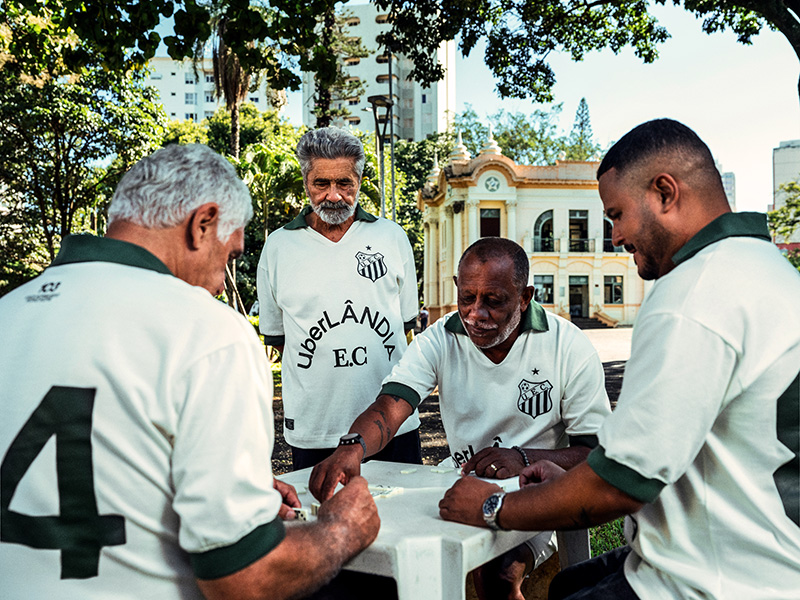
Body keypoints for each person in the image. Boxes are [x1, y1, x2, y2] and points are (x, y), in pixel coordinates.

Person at [439, 119, 800, 600]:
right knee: (570, 580)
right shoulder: (765, 267)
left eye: (617, 214)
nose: (614, 236)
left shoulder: (692, 295)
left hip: (715, 577)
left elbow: (619, 486)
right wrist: (570, 475)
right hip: (765, 548)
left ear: (665, 192)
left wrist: (492, 507)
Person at [0, 144, 379, 600]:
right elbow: (246, 579)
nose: (221, 282)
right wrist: (345, 528)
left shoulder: (10, 311)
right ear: (203, 225)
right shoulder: (209, 332)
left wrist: (224, 483)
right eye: (228, 256)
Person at [311, 237, 611, 600]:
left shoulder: (568, 347)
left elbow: (594, 453)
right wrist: (353, 446)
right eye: (467, 297)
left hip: (537, 494)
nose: (475, 314)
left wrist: (524, 458)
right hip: (460, 482)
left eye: (493, 301)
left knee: (496, 575)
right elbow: (392, 403)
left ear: (525, 296)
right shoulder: (439, 338)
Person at [257, 126, 421, 470]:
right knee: (322, 521)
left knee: (405, 519)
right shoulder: (278, 247)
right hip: (315, 429)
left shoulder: (391, 237)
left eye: (344, 183)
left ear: (359, 181)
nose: (334, 196)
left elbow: (404, 327)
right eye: (322, 184)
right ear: (306, 183)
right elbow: (281, 340)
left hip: (393, 423)